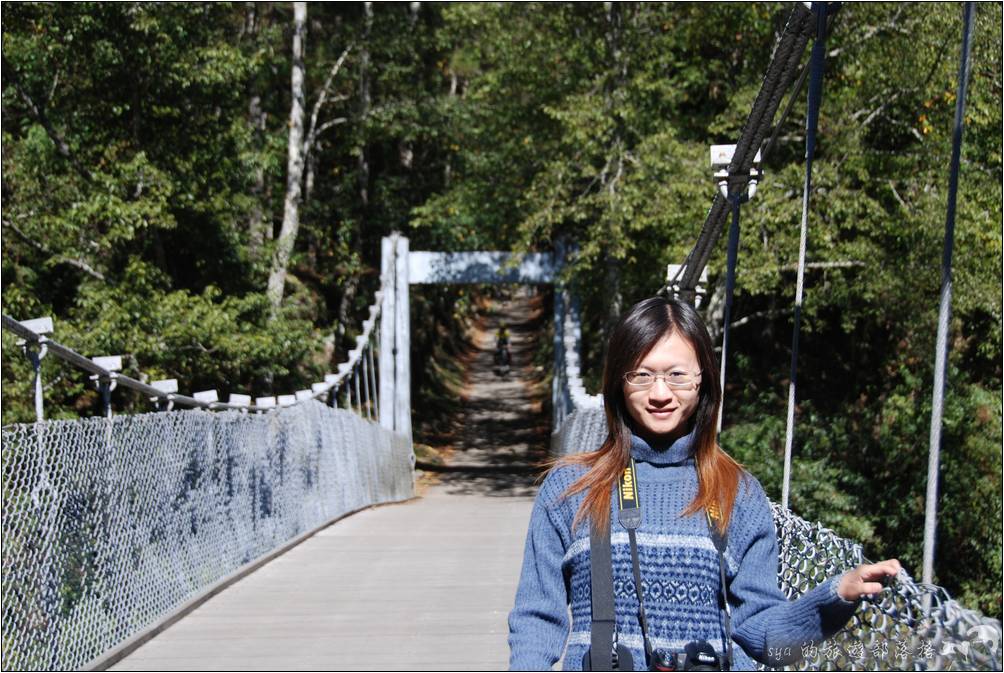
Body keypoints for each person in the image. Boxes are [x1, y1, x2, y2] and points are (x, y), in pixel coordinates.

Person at [508, 296, 901, 671]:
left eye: (677, 375)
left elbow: (765, 639)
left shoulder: (737, 492)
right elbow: (536, 619)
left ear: (703, 380)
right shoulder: (571, 487)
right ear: (618, 383)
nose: (660, 393)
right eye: (642, 375)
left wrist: (833, 598)